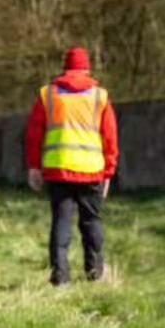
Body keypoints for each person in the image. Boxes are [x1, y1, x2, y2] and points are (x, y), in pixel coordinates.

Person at [25, 46, 118, 286]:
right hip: (92, 171)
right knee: (92, 222)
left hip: (58, 170)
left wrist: (34, 167)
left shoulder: (48, 95)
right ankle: (95, 274)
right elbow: (110, 138)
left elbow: (34, 134)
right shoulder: (100, 96)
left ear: (65, 68)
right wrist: (109, 172)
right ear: (87, 68)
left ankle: (60, 278)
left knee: (61, 223)